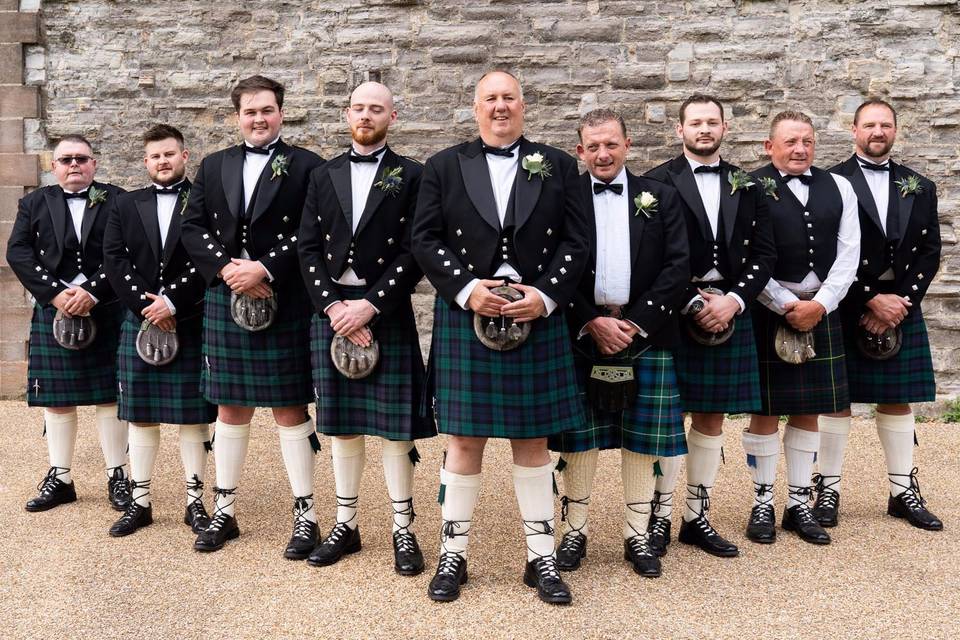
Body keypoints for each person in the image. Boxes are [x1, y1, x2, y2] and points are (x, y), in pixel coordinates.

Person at [412, 70, 590, 604]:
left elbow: (578, 243)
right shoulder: (444, 166)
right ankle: (452, 555)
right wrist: (466, 290)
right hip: (470, 317)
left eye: (508, 98)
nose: (500, 107)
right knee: (464, 440)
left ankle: (541, 559)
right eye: (490, 98)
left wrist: (548, 296)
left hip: (536, 318)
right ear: (475, 107)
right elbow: (425, 238)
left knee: (532, 440)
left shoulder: (559, 165)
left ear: (523, 105)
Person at [180, 75, 323, 556]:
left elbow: (312, 231)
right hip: (228, 297)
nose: (258, 118)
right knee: (229, 406)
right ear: (236, 116)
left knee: (289, 408)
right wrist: (224, 269)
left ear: (281, 113)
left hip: (282, 297)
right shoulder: (214, 164)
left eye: (267, 109)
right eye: (249, 111)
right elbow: (193, 226)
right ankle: (225, 512)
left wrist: (265, 267)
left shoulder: (308, 166)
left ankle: (306, 516)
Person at [298, 81, 434, 575]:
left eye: (376, 109)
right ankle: (346, 524)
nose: (366, 115)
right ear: (345, 113)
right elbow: (306, 246)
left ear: (392, 117)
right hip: (334, 307)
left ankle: (403, 528)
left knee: (396, 430)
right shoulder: (322, 174)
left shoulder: (413, 174)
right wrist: (333, 307)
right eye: (358, 107)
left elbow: (415, 249)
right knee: (341, 427)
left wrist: (371, 305)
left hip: (384, 308)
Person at [551, 108, 689, 579]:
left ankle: (636, 533)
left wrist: (632, 323)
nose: (603, 154)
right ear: (580, 152)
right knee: (580, 439)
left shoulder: (661, 196)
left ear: (628, 145)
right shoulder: (564, 195)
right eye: (593, 147)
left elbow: (677, 267)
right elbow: (550, 267)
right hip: (582, 333)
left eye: (611, 144)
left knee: (642, 438)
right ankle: (574, 530)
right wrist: (590, 320)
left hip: (644, 333)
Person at [644, 94, 776, 557]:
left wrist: (736, 300)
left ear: (725, 127)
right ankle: (657, 517)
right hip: (673, 310)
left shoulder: (748, 184)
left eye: (712, 122)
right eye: (695, 122)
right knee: (666, 417)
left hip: (730, 309)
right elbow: (651, 256)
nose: (704, 129)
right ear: (679, 130)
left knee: (712, 415)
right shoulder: (656, 182)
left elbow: (765, 255)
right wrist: (687, 299)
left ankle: (696, 516)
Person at [817, 99, 942, 531]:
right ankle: (826, 488)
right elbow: (825, 251)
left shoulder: (919, 185)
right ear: (853, 130)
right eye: (869, 124)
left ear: (895, 131)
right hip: (847, 300)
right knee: (835, 401)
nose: (877, 131)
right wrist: (869, 299)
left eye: (885, 125)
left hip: (899, 307)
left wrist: (899, 303)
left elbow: (930, 254)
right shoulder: (830, 181)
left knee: (896, 399)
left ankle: (902, 490)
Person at [745, 111, 860, 545]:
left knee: (809, 411)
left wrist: (823, 305)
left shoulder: (841, 187)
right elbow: (746, 256)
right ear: (768, 146)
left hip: (821, 310)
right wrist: (783, 302)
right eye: (790, 141)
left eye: (807, 142)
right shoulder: (750, 186)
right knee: (765, 412)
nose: (800, 149)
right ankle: (762, 503)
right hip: (768, 305)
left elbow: (849, 256)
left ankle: (797, 503)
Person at [102, 124, 217, 537]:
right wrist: (147, 306)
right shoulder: (125, 204)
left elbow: (207, 259)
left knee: (192, 418)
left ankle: (195, 502)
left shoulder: (203, 201)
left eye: (170, 154)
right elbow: (114, 259)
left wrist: (173, 302)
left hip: (188, 318)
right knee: (141, 416)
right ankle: (140, 501)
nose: (163, 161)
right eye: (155, 156)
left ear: (185, 156)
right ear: (145, 161)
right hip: (142, 319)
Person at [7, 134, 130, 513]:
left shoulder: (118, 199)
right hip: (54, 308)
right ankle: (60, 477)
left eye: (81, 158)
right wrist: (55, 294)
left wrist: (92, 291)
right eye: (65, 160)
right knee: (58, 400)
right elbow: (18, 252)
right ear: (54, 166)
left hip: (105, 306)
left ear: (94, 163)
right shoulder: (34, 202)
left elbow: (128, 251)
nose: (74, 165)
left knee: (110, 395)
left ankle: (119, 476)